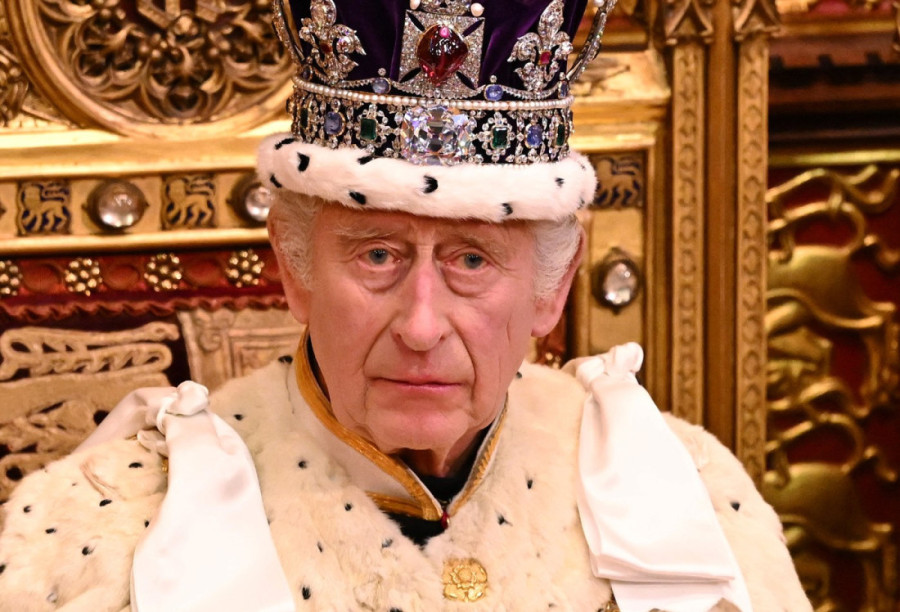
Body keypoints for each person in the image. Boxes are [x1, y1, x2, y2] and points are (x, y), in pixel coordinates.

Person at [0, 0, 811, 610]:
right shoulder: (108, 527)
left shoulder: (686, 498)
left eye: (471, 261)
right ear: (293, 268)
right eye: (378, 256)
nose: (421, 327)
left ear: (553, 288)